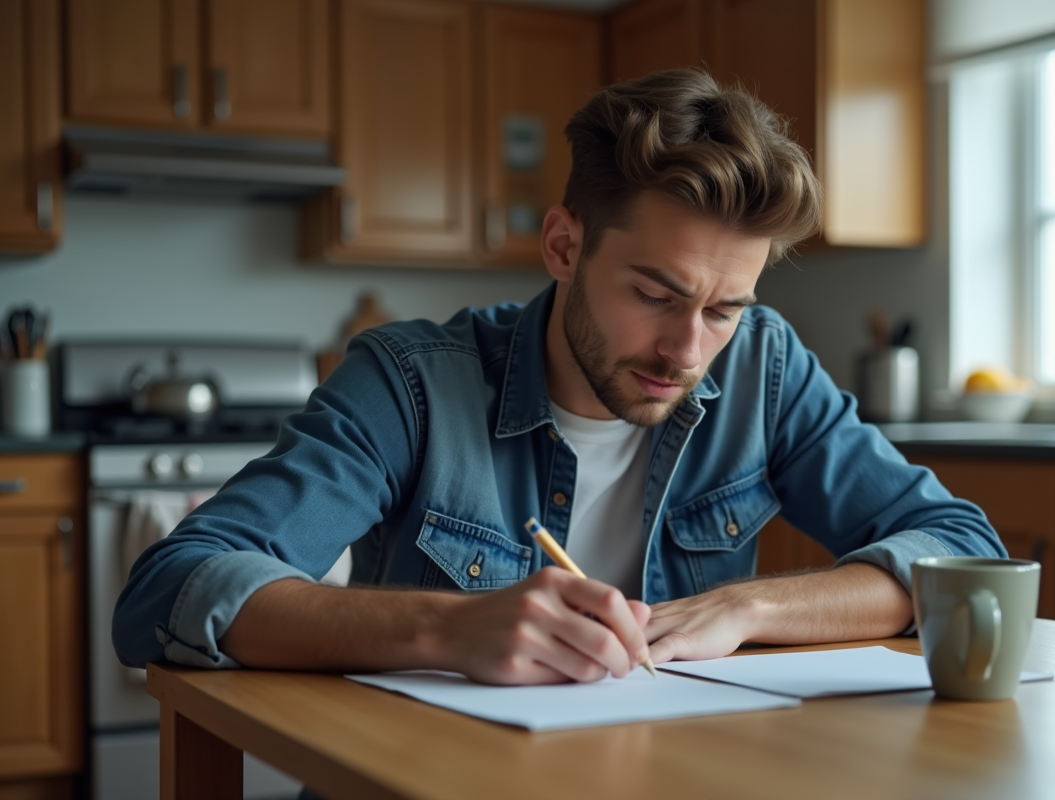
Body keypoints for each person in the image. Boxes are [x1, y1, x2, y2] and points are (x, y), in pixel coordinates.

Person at [113, 69, 1003, 686]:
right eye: (656, 294)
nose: (689, 351)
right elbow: (170, 588)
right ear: (564, 246)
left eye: (725, 308)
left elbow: (960, 548)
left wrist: (749, 606)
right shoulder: (411, 383)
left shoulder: (767, 367)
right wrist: (450, 629)